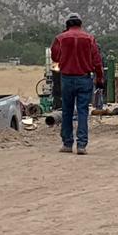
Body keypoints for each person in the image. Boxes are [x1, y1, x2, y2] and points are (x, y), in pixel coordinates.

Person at [50, 13, 104, 155]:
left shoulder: (60, 38)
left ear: (67, 25)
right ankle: (81, 145)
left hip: (67, 79)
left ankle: (67, 144)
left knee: (67, 111)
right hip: (84, 78)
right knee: (82, 111)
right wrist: (100, 79)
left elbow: (55, 57)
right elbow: (97, 61)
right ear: (80, 24)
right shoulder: (89, 38)